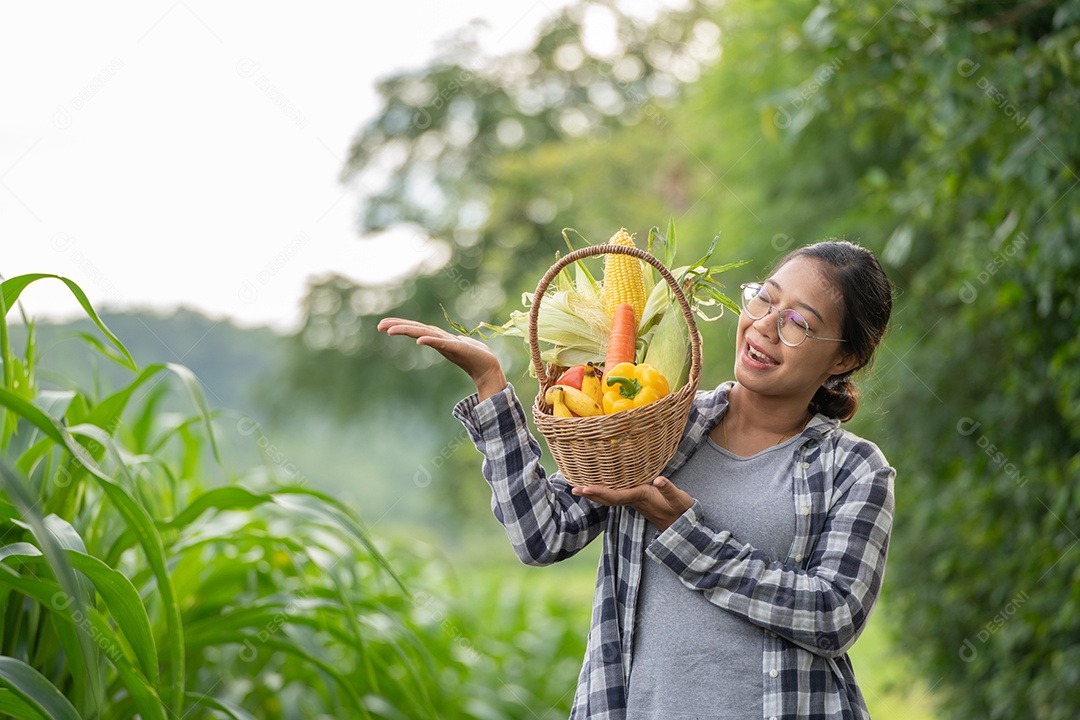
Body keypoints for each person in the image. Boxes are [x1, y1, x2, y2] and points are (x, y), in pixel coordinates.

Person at [378, 239, 895, 720]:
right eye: (763, 299)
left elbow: (833, 617)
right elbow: (543, 534)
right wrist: (491, 384)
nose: (763, 325)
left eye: (797, 324)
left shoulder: (853, 470)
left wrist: (682, 529)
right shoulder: (656, 425)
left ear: (845, 357)